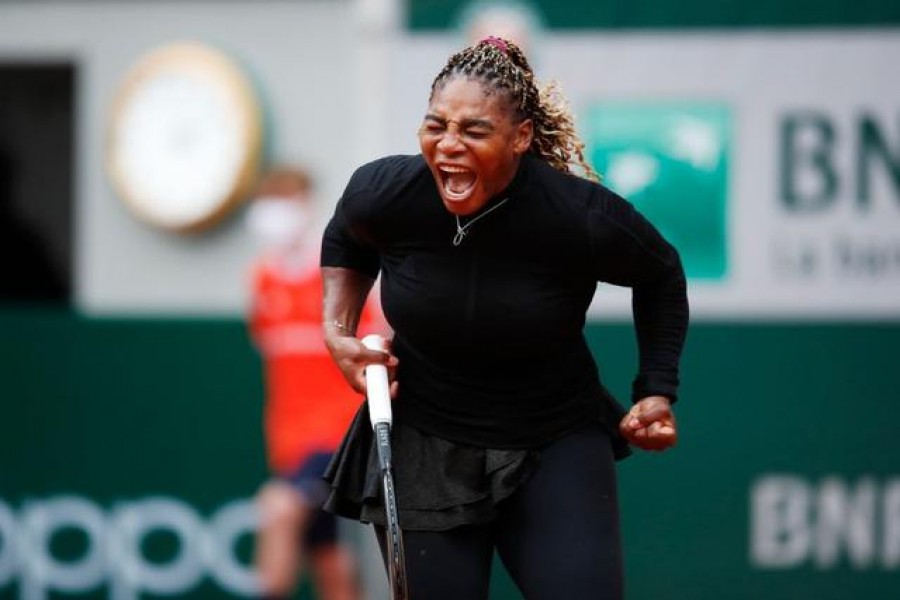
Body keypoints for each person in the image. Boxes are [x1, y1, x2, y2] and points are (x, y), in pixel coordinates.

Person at [319, 37, 688, 600]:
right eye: (436, 125)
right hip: (425, 444)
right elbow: (347, 236)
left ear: (521, 138)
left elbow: (661, 274)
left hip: (554, 442)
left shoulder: (578, 215)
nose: (448, 145)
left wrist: (656, 389)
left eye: (474, 131)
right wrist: (337, 331)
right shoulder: (385, 192)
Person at [245, 167, 377, 600]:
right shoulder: (263, 279)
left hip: (336, 439)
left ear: (305, 207)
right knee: (330, 564)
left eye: (285, 202)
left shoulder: (339, 277)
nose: (274, 214)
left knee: (278, 511)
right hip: (288, 443)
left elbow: (371, 350)